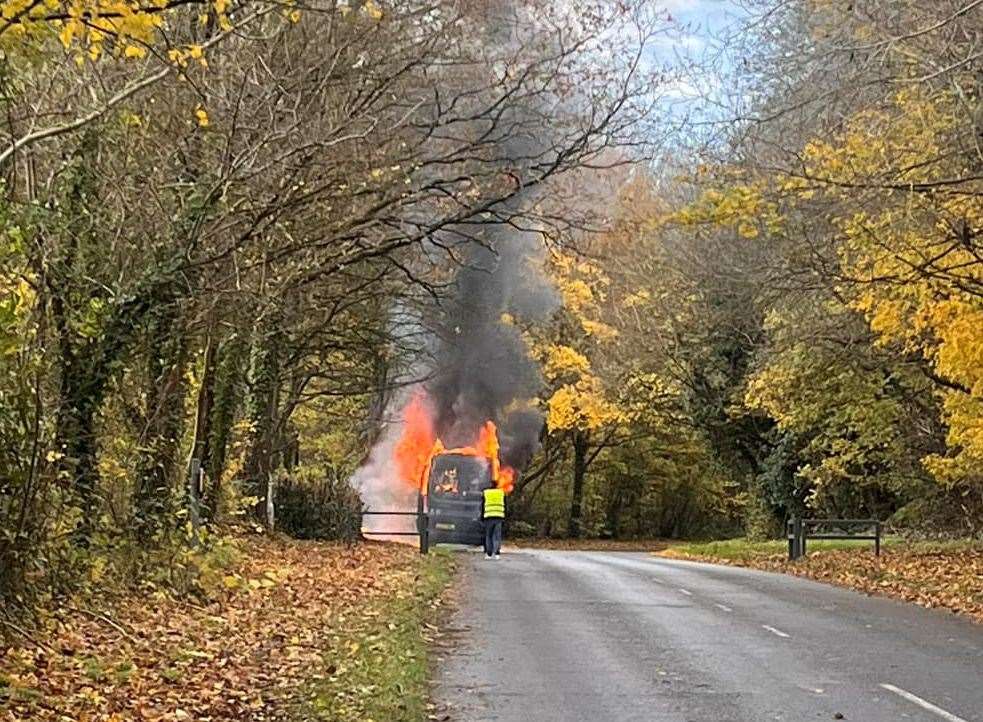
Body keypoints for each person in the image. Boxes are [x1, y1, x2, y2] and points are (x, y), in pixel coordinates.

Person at [481, 485, 505, 559]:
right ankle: (497, 554)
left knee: (488, 535)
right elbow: (505, 505)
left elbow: (482, 506)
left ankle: (489, 554)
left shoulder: (486, 493)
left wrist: (482, 516)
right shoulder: (501, 493)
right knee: (497, 536)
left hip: (488, 517)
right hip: (499, 516)